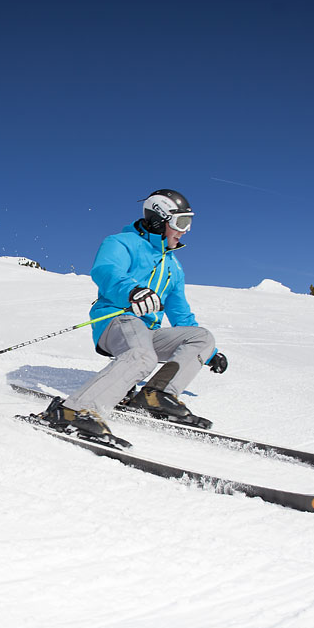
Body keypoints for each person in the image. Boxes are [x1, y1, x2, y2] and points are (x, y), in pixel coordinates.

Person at [40, 189, 228, 442]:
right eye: (181, 223)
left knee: (202, 337)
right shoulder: (121, 243)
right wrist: (133, 291)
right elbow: (106, 270)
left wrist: (210, 355)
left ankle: (156, 395)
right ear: (159, 220)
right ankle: (74, 411)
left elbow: (180, 314)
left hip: (148, 332)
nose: (185, 231)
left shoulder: (173, 266)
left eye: (189, 223)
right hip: (116, 319)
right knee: (142, 355)